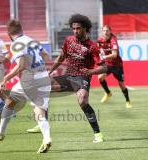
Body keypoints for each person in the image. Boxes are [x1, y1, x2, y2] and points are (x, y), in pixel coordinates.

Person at [28, 14, 106, 142]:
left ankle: (98, 134)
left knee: (82, 101)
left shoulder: (92, 46)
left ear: (85, 28)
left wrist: (91, 71)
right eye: (74, 28)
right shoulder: (69, 40)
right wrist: (51, 70)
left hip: (82, 77)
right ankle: (42, 122)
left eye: (78, 28)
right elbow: (61, 57)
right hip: (69, 76)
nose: (75, 31)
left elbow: (104, 68)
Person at [0, 20, 52, 153]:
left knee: (9, 101)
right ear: (22, 29)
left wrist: (6, 78)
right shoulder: (31, 40)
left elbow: (20, 65)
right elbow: (45, 55)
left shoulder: (16, 44)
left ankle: (0, 131)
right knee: (39, 111)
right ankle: (47, 138)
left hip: (30, 80)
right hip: (44, 78)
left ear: (9, 34)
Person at [97, 25, 132, 108]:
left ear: (110, 31)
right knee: (100, 77)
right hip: (108, 65)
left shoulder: (113, 40)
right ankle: (108, 93)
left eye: (107, 31)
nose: (105, 32)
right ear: (102, 31)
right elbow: (98, 49)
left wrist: (104, 57)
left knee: (121, 84)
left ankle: (128, 101)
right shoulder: (100, 40)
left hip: (117, 66)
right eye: (104, 31)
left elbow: (114, 55)